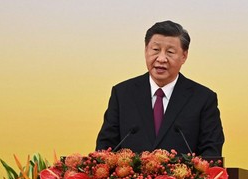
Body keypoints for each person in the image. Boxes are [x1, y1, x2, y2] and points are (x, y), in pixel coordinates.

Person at [96, 20, 224, 156]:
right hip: (130, 177)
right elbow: (105, 149)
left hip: (182, 177)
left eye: (170, 52)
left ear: (184, 56)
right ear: (146, 50)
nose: (161, 58)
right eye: (156, 50)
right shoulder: (122, 93)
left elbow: (211, 153)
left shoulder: (203, 98)